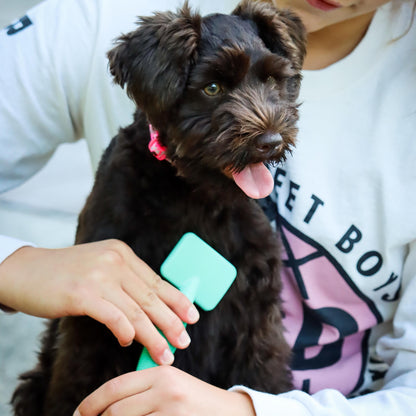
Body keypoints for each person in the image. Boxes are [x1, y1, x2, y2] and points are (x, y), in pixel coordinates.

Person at [0, 0, 415, 415]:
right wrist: (15, 265)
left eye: (273, 82)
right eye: (214, 88)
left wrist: (250, 410)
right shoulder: (95, 22)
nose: (265, 128)